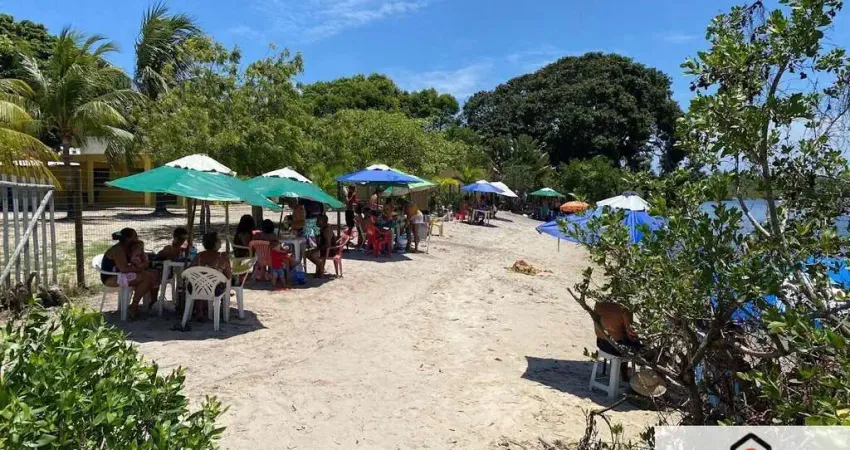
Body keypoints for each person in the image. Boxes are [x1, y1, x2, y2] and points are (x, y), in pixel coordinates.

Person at [101, 228, 159, 319]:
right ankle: (134, 306)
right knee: (146, 278)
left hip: (121, 275)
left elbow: (135, 262)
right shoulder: (118, 250)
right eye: (135, 236)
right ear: (128, 239)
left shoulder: (129, 248)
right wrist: (141, 267)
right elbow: (124, 268)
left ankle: (151, 302)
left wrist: (140, 252)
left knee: (153, 274)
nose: (137, 239)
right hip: (111, 278)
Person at [187, 232, 232, 322]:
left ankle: (199, 311)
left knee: (199, 284)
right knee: (220, 285)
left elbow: (189, 270)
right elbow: (228, 276)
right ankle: (218, 312)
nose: (220, 242)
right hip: (214, 289)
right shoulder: (222, 258)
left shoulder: (198, 256)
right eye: (219, 240)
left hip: (196, 288)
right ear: (215, 244)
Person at [594, 301, 643, 381]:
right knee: (640, 347)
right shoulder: (624, 306)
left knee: (624, 340)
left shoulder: (599, 303)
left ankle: (624, 371)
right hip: (616, 347)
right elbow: (630, 334)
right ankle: (645, 380)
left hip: (601, 343)